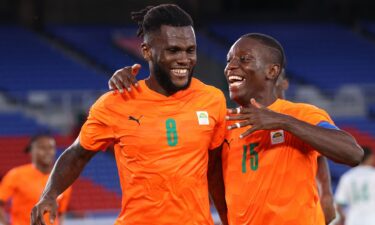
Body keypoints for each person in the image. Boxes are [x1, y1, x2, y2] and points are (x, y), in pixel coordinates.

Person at [108, 33, 363, 225]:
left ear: (272, 71)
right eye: (229, 61)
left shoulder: (301, 114)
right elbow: (212, 176)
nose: (231, 67)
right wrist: (136, 87)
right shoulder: (222, 122)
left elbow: (352, 153)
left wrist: (282, 122)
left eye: (244, 59)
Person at [31, 4, 227, 225]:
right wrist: (49, 194)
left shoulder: (212, 100)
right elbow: (77, 155)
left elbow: (215, 171)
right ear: (146, 51)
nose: (184, 59)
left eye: (190, 50)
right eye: (173, 50)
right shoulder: (117, 103)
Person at [276, 71, 336, 224]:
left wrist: (327, 194)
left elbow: (319, 156)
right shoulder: (256, 118)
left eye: (277, 77)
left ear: (285, 83)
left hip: (302, 212)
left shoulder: (302, 115)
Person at [0, 134, 72, 225]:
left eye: (51, 148)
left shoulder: (63, 179)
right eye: (42, 148)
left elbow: (61, 213)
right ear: (31, 151)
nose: (48, 152)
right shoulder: (16, 175)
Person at [334, 146, 375, 225]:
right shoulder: (373, 174)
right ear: (371, 158)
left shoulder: (347, 176)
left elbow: (338, 204)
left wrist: (343, 217)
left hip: (353, 220)